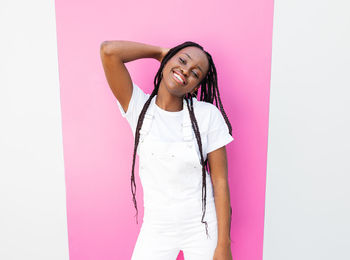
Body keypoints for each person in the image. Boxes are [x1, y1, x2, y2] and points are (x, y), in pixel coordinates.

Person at [100, 40, 234, 260]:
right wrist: (159, 53)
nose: (185, 71)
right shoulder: (138, 107)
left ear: (195, 87)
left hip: (202, 227)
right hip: (157, 227)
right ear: (167, 61)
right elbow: (109, 51)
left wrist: (223, 245)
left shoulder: (207, 115)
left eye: (195, 73)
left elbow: (220, 181)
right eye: (182, 60)